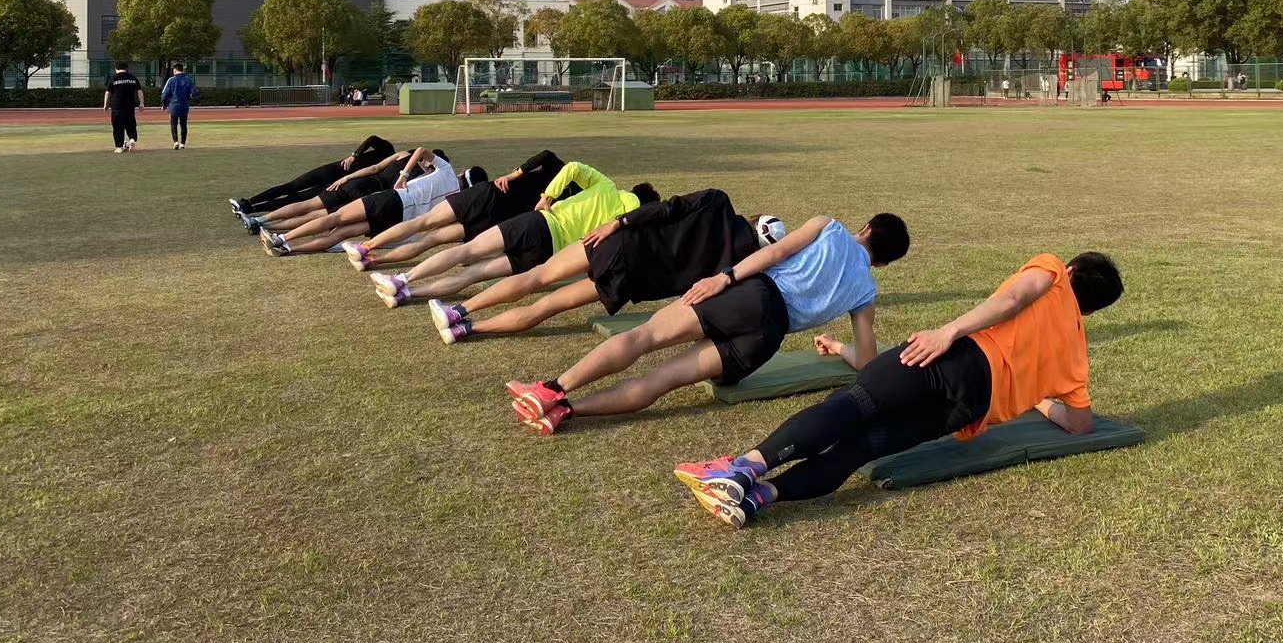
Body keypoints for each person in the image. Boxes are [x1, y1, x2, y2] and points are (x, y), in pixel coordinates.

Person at [673, 249, 1124, 528]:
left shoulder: (1052, 272)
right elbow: (1081, 425)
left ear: (1070, 269)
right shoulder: (1076, 356)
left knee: (852, 405)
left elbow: (1012, 299)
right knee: (858, 450)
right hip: (969, 409)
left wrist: (947, 332)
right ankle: (758, 499)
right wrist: (1040, 401)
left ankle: (741, 471)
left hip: (955, 360)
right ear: (1091, 310)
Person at [505, 212, 909, 436]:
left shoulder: (830, 227)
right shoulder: (866, 291)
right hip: (765, 340)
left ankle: (551, 390)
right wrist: (837, 347)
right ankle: (566, 411)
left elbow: (775, 253)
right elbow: (866, 360)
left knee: (644, 337)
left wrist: (725, 277)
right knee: (663, 379)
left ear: (866, 228)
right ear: (884, 264)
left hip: (751, 295)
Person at [419, 188, 784, 342]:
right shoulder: (732, 270)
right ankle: (468, 330)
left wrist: (619, 222)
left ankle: (459, 311)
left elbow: (666, 209)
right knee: (546, 307)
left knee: (538, 277)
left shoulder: (718, 202)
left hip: (623, 244)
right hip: (632, 281)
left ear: (755, 220)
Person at [368, 161, 657, 301]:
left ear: (632, 190)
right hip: (550, 253)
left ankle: (402, 280)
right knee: (474, 275)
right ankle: (409, 294)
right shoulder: (624, 225)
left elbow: (572, 167)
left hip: (540, 223)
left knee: (466, 251)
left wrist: (547, 196)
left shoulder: (607, 187)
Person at [346, 149, 568, 271]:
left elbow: (546, 155)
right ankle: (373, 260)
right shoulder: (576, 198)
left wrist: (513, 175)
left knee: (424, 223)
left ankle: (365, 248)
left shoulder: (570, 171)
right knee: (429, 241)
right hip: (498, 218)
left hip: (490, 195)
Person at [261, 149, 470, 256]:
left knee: (336, 218)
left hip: (393, 198)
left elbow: (421, 150)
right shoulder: (456, 200)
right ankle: (289, 249)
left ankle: (282, 238)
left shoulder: (446, 171)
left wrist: (404, 175)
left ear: (462, 173)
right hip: (399, 220)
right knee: (341, 234)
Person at [241, 145, 423, 236]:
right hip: (367, 196)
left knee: (307, 204)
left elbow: (374, 168)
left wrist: (347, 178)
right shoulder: (423, 176)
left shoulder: (402, 155)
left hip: (357, 182)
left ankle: (259, 219)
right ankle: (266, 228)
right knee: (319, 215)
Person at [229, 135, 397, 223]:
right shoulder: (389, 151)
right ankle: (247, 203)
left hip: (338, 184)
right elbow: (372, 139)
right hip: (334, 171)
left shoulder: (391, 168)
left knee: (296, 198)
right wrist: (354, 155)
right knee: (292, 187)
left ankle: (250, 209)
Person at [102, 64, 144, 152]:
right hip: (130, 106)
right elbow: (139, 91)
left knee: (118, 127)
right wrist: (141, 103)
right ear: (126, 68)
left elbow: (108, 92)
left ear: (116, 69)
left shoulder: (113, 78)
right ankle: (132, 139)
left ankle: (119, 147)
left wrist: (106, 104)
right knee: (131, 124)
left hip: (117, 106)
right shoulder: (132, 78)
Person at [161, 63, 197, 149]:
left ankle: (176, 142)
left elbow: (165, 93)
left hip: (173, 105)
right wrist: (190, 96)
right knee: (183, 124)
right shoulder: (188, 80)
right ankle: (183, 143)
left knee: (173, 124)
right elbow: (194, 92)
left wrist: (164, 104)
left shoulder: (171, 80)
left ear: (174, 70)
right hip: (184, 105)